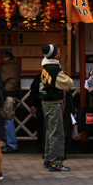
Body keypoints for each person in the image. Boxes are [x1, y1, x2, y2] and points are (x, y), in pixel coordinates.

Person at [36, 44, 73, 172]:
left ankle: (48, 158)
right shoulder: (54, 68)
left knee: (49, 132)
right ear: (54, 54)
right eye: (58, 50)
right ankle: (56, 162)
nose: (59, 51)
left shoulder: (45, 66)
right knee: (57, 133)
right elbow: (68, 83)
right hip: (54, 103)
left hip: (45, 102)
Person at [0, 51, 21, 152]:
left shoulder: (5, 67)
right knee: (9, 120)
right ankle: (11, 143)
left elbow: (2, 80)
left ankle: (11, 144)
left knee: (7, 120)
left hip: (7, 95)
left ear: (6, 58)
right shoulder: (16, 66)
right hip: (14, 95)